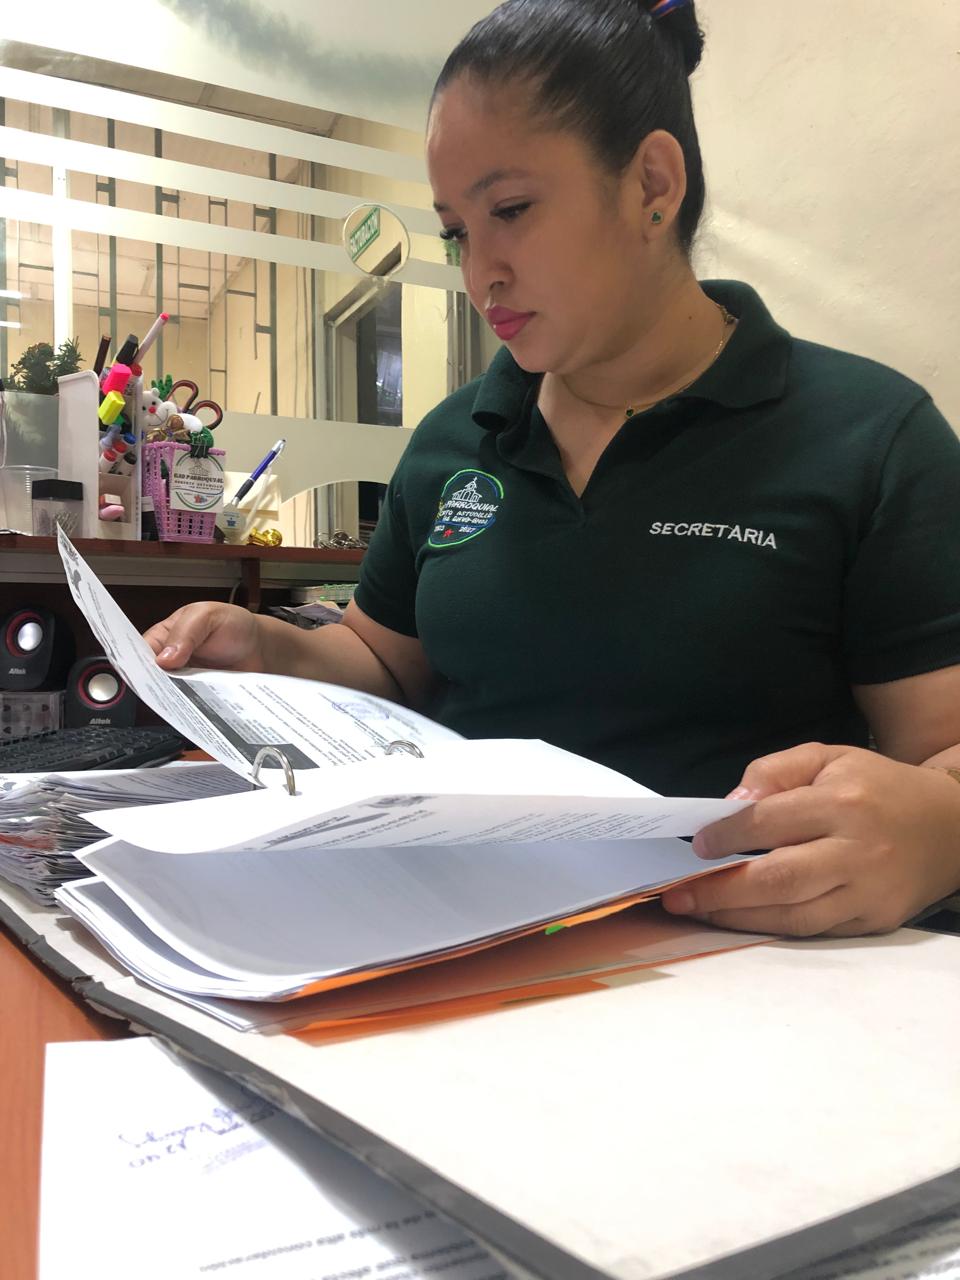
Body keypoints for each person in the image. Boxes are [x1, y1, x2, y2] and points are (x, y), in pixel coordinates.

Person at [145, 0, 960, 938]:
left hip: (735, 954)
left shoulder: (866, 435)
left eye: (511, 211)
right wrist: (270, 651)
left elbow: (941, 754)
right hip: (441, 939)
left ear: (652, 184)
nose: (480, 273)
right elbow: (383, 659)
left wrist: (936, 832)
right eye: (456, 231)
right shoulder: (455, 440)